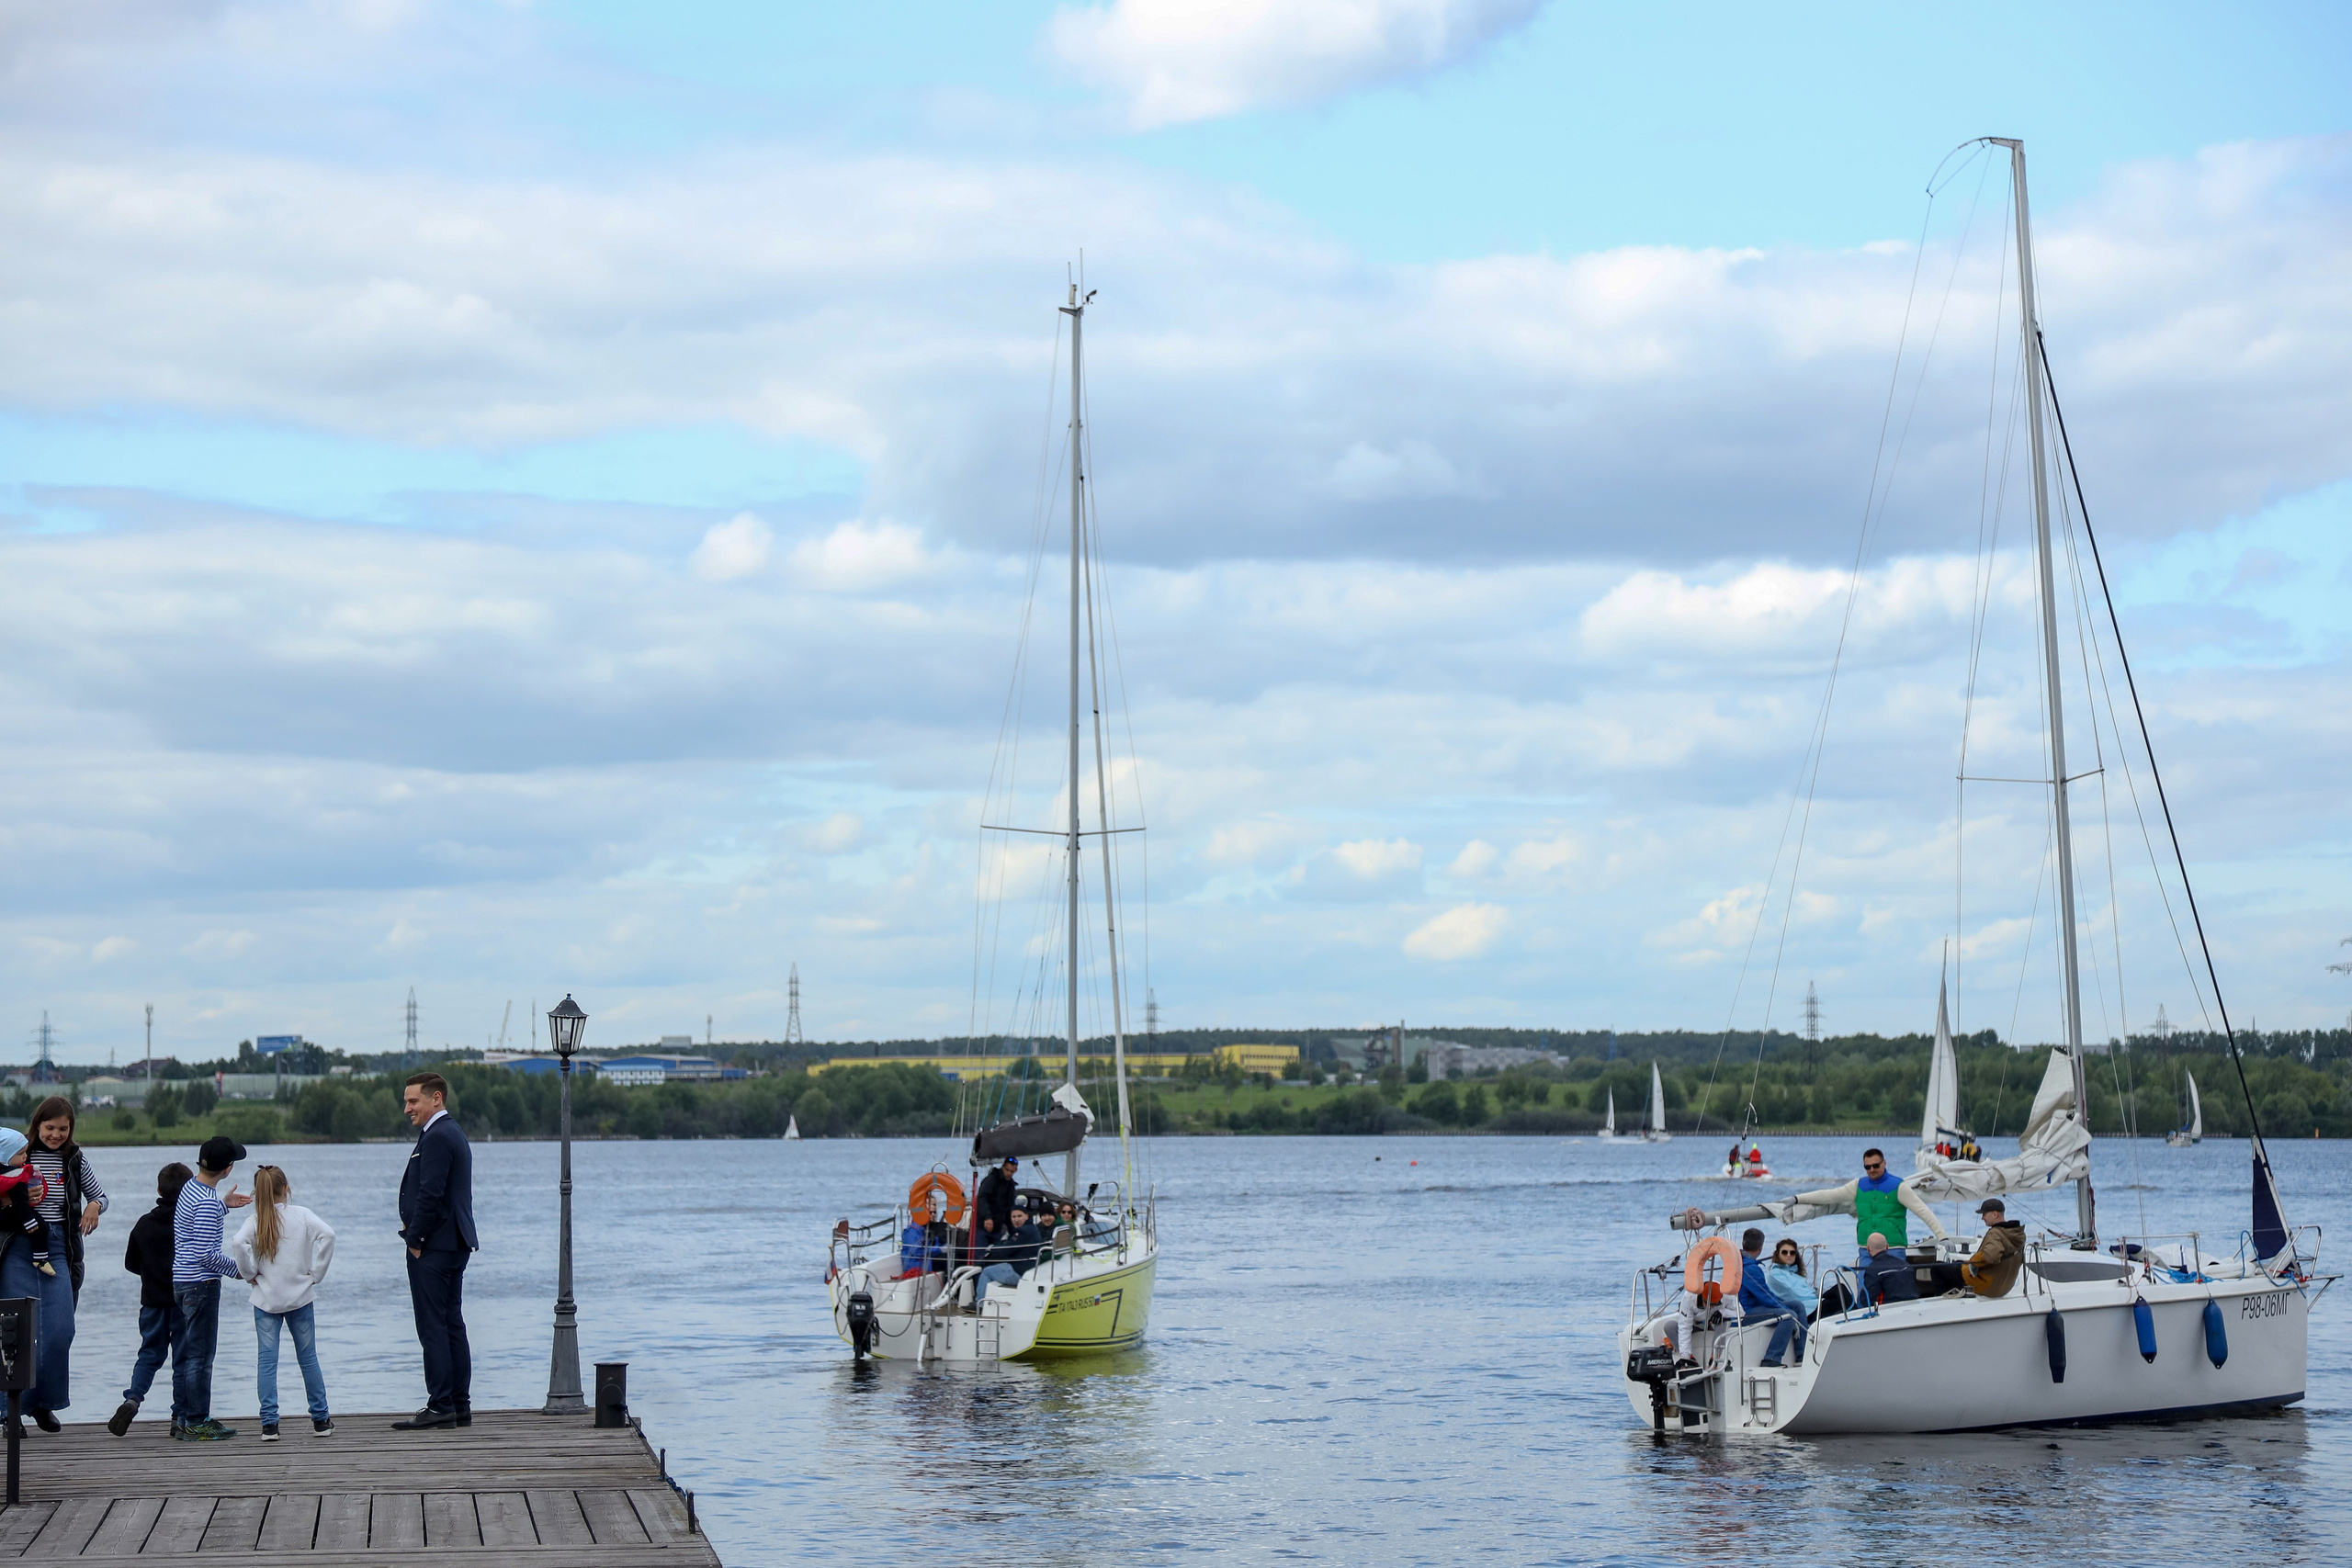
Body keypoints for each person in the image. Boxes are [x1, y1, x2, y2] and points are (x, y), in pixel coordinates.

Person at [0, 1098, 110, 1435]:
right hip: (15, 1248)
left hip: (56, 1248)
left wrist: (93, 1206)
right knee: (15, 1334)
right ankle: (10, 1411)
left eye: (63, 1129)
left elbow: (101, 1196)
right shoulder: (19, 1153)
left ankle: (43, 1403)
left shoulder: (74, 1159)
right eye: (50, 1128)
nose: (56, 1135)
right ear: (37, 1126)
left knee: (61, 1329)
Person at [394, 1072, 477, 1431]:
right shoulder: (449, 1132)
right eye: (407, 1101)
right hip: (452, 1242)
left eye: (413, 1101)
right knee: (450, 1322)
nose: (407, 1108)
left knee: (434, 1326)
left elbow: (431, 1194)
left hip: (435, 1246)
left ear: (436, 1098)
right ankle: (459, 1404)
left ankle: (441, 1404)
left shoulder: (439, 1136)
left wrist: (416, 1239)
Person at [232, 1165, 336, 1440]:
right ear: (286, 1188)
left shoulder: (254, 1221)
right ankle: (321, 1420)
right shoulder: (301, 1215)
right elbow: (329, 1235)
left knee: (267, 1361)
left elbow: (238, 1243)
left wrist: (249, 1274)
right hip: (300, 1297)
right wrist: (317, 1274)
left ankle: (269, 1425)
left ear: (257, 1193)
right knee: (308, 1358)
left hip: (266, 1300)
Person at [171, 1135, 252, 1441]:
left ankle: (183, 1417)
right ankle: (197, 1421)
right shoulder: (207, 1202)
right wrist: (242, 1271)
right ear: (228, 1170)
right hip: (200, 1285)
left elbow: (195, 1226)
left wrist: (223, 1205)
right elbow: (205, 1253)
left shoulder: (191, 1189)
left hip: (181, 1281)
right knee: (201, 1358)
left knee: (189, 1354)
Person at [108, 1162, 193, 1437]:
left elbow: (130, 1263)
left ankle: (133, 1398)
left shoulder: (144, 1224)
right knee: (183, 1359)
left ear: (158, 1189)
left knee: (148, 1355)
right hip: (183, 1303)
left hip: (152, 1302)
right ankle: (179, 1415)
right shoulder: (189, 1222)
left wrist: (151, 1275)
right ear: (190, 1190)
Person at [1735, 1227, 1806, 1368]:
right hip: (1748, 1312)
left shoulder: (1743, 1263)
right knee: (1788, 1315)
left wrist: (1783, 1306)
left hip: (1758, 1307)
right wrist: (1788, 1312)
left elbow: (1765, 1295)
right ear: (1760, 1247)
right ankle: (1771, 1358)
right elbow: (1765, 1296)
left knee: (1798, 1305)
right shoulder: (1749, 1268)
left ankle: (1801, 1355)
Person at [1962, 1199, 2026, 1298]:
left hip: (1988, 1285)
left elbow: (1992, 1256)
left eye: (1984, 1214)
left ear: (1995, 1214)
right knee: (1957, 1264)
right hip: (2005, 1287)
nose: (1982, 1218)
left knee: (1940, 1270)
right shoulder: (2016, 1234)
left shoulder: (1995, 1233)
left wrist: (1976, 1259)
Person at [975, 1156, 1020, 1257]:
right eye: (1007, 1170)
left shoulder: (1010, 1186)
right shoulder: (990, 1180)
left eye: (1012, 1171)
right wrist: (987, 1217)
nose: (1009, 1173)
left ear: (1015, 1171)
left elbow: (1009, 1207)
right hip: (983, 1225)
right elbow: (982, 1199)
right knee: (980, 1255)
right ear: (1003, 1167)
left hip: (998, 1227)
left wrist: (1013, 1228)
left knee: (996, 1255)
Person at [1765, 1238, 1819, 1320]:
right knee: (1840, 1294)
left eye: (1792, 1252)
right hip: (1806, 1310)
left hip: (1814, 1303)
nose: (1789, 1255)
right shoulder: (1775, 1274)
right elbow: (1794, 1294)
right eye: (1784, 1252)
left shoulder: (1795, 1273)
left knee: (1840, 1290)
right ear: (1778, 1254)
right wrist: (1817, 1297)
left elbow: (1805, 1291)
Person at [1860, 1233, 1920, 1304]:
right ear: (1887, 1246)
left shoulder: (1873, 1270)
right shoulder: (1906, 1265)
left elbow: (1867, 1300)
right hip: (1913, 1306)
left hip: (1888, 1309)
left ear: (1868, 1248)